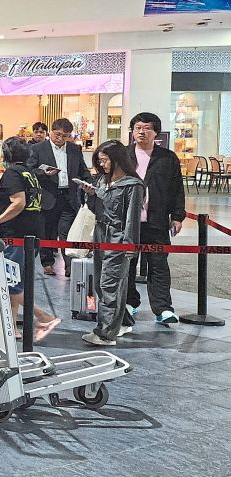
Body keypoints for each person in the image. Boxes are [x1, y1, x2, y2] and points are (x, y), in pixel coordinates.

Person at [0, 137, 61, 341]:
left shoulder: (12, 173)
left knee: (8, 283)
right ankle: (11, 327)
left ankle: (44, 316)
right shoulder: (29, 173)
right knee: (13, 280)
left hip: (15, 235)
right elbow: (11, 202)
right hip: (31, 233)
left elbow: (18, 203)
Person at [81, 141, 145, 346]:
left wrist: (129, 246)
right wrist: (91, 195)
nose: (102, 164)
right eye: (99, 160)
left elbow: (132, 219)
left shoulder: (132, 185)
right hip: (100, 235)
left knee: (110, 284)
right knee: (103, 283)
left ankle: (106, 333)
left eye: (105, 160)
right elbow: (96, 209)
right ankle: (122, 322)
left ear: (117, 159)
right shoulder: (102, 180)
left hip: (118, 238)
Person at [124, 112, 185, 325]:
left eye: (147, 127)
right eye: (138, 127)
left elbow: (178, 189)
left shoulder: (168, 158)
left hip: (157, 221)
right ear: (132, 131)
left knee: (159, 265)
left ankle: (163, 309)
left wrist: (177, 217)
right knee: (128, 264)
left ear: (156, 132)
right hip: (128, 222)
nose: (142, 131)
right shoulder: (123, 155)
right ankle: (129, 303)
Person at [27, 118, 92, 277]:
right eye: (58, 135)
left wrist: (88, 183)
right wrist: (43, 173)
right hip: (47, 196)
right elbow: (29, 170)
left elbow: (83, 170)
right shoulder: (37, 149)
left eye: (65, 136)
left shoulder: (74, 149)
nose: (60, 139)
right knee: (46, 231)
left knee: (67, 232)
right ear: (50, 132)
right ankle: (47, 263)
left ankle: (69, 264)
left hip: (69, 197)